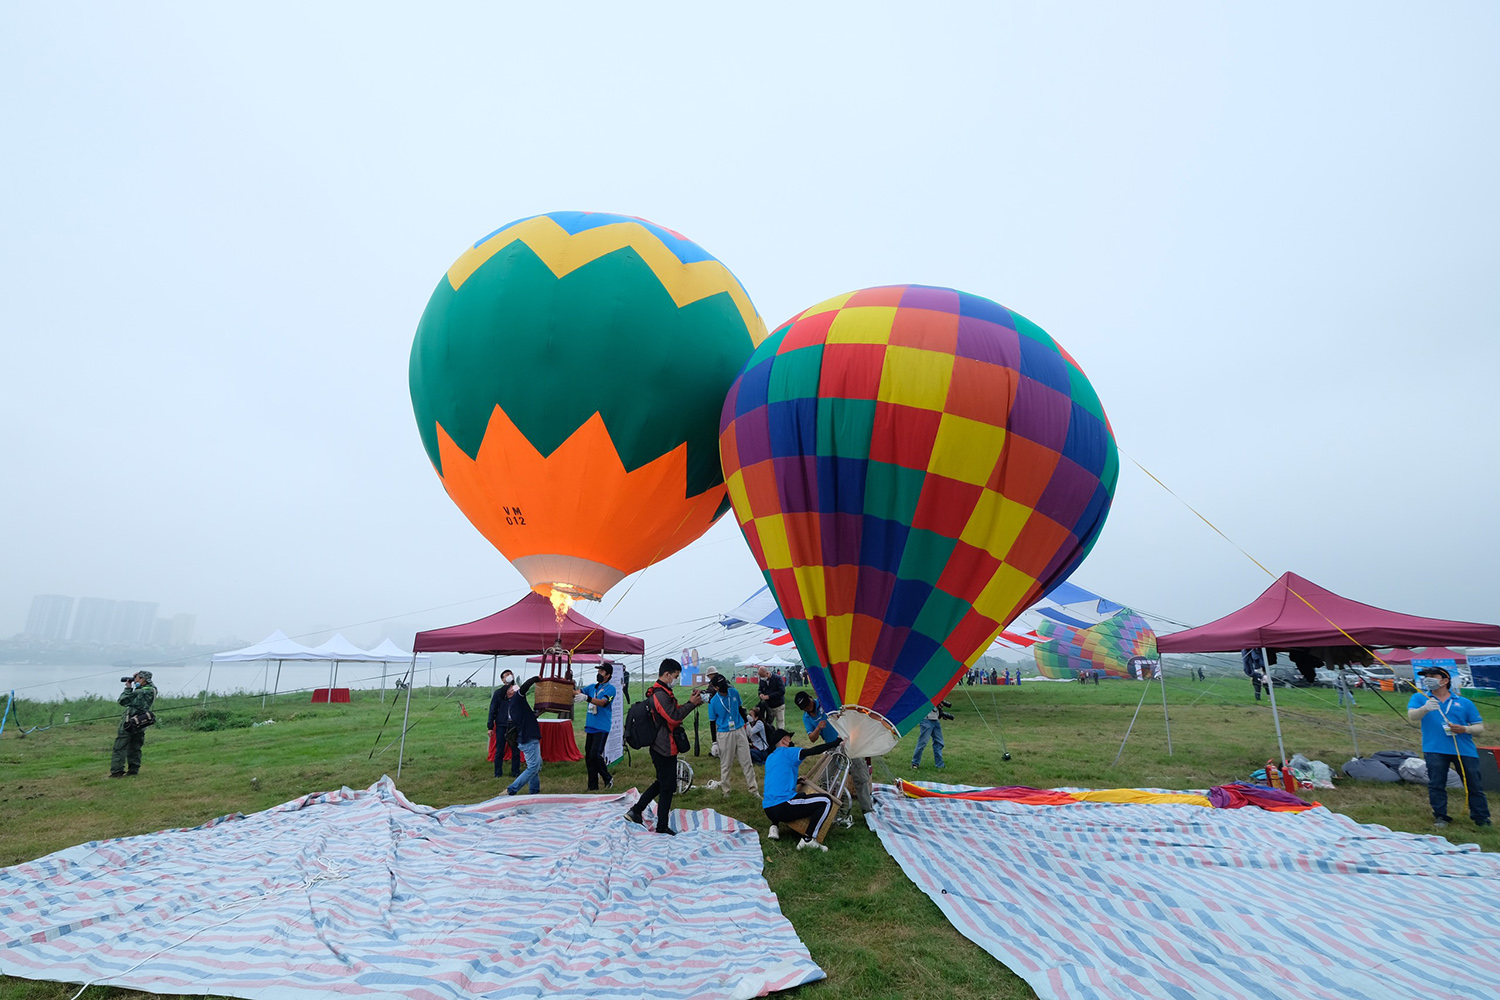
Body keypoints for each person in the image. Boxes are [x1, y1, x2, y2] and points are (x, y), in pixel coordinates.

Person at [624, 659, 703, 835]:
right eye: (675, 676)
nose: (676, 679)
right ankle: (661, 827)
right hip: (663, 747)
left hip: (663, 745)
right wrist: (692, 704)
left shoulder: (663, 692)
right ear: (666, 674)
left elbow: (672, 713)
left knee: (662, 783)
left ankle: (636, 811)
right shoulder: (660, 694)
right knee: (667, 787)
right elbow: (673, 718)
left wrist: (690, 703)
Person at [1407, 666, 1490, 829]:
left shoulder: (1464, 702)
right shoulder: (1420, 697)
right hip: (1434, 749)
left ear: (1445, 680)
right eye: (1426, 676)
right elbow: (1412, 716)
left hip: (1464, 750)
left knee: (1474, 784)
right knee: (1436, 784)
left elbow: (1479, 727)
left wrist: (1465, 729)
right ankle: (1441, 816)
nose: (1428, 678)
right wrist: (1425, 708)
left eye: (1433, 676)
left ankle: (1482, 818)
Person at [762, 728, 845, 851]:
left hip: (769, 809)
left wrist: (796, 781)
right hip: (783, 807)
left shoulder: (770, 758)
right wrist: (836, 742)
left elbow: (778, 779)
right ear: (784, 740)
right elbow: (812, 751)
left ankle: (774, 826)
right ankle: (808, 839)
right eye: (789, 738)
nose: (791, 741)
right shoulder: (787, 752)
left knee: (800, 796)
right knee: (826, 801)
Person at [707, 673, 757, 798]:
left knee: (747, 761)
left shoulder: (734, 692)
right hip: (724, 733)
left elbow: (740, 709)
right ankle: (726, 791)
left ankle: (753, 790)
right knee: (726, 763)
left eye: (725, 684)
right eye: (721, 686)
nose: (725, 687)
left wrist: (747, 724)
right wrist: (714, 742)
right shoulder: (713, 702)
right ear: (716, 688)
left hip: (739, 729)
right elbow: (712, 723)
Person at [109, 670, 157, 778]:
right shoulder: (152, 690)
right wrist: (138, 679)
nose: (135, 680)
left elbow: (122, 700)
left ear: (143, 680)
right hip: (142, 722)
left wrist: (128, 688)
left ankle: (117, 772)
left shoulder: (140, 692)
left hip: (130, 722)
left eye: (137, 678)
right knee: (135, 746)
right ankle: (133, 770)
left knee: (120, 747)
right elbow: (149, 686)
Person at [579, 663, 617, 791]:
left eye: (602, 671)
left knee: (595, 754)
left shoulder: (610, 689)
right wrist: (569, 687)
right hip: (590, 725)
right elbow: (578, 692)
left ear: (608, 675)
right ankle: (592, 786)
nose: (599, 673)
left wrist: (587, 698)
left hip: (602, 726)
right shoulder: (592, 687)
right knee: (589, 756)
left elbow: (603, 703)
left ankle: (607, 777)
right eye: (599, 671)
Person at [504, 676, 545, 796]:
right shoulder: (517, 699)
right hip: (529, 739)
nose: (513, 687)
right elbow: (525, 687)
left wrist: (539, 713)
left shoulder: (514, 706)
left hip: (525, 738)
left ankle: (534, 790)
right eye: (510, 688)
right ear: (509, 694)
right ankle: (512, 789)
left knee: (535, 766)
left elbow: (528, 717)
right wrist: (536, 678)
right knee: (533, 768)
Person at [487, 669, 519, 779]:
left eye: (511, 674)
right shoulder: (498, 693)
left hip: (514, 724)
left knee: (515, 749)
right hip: (501, 724)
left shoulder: (516, 691)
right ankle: (498, 773)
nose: (510, 676)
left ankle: (515, 772)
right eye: (507, 675)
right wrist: (490, 726)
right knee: (499, 749)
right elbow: (493, 709)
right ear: (502, 679)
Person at [911, 701, 952, 770]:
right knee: (922, 742)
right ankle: (915, 763)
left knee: (939, 742)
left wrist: (939, 706)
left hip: (935, 720)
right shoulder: (927, 695)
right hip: (926, 720)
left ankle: (940, 764)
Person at [758, 665, 786, 731]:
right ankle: (771, 738)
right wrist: (760, 694)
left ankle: (780, 737)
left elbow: (782, 691)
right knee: (769, 724)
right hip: (769, 706)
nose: (762, 678)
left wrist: (769, 696)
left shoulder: (777, 678)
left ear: (767, 673)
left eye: (763, 676)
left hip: (779, 705)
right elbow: (760, 689)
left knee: (780, 723)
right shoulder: (762, 681)